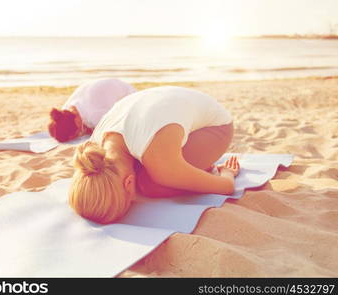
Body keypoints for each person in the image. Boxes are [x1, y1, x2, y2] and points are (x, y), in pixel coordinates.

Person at [69, 86, 239, 224]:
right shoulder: (94, 149)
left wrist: (227, 173)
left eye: (130, 201)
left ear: (129, 183)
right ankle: (183, 169)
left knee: (151, 185)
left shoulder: (160, 161)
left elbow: (226, 186)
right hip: (163, 100)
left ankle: (184, 171)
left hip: (214, 126)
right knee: (155, 172)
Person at [48, 78, 136, 142]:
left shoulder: (93, 115)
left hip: (131, 97)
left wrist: (92, 130)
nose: (79, 135)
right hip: (115, 87)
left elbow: (111, 130)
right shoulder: (67, 109)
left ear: (77, 123)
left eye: (77, 134)